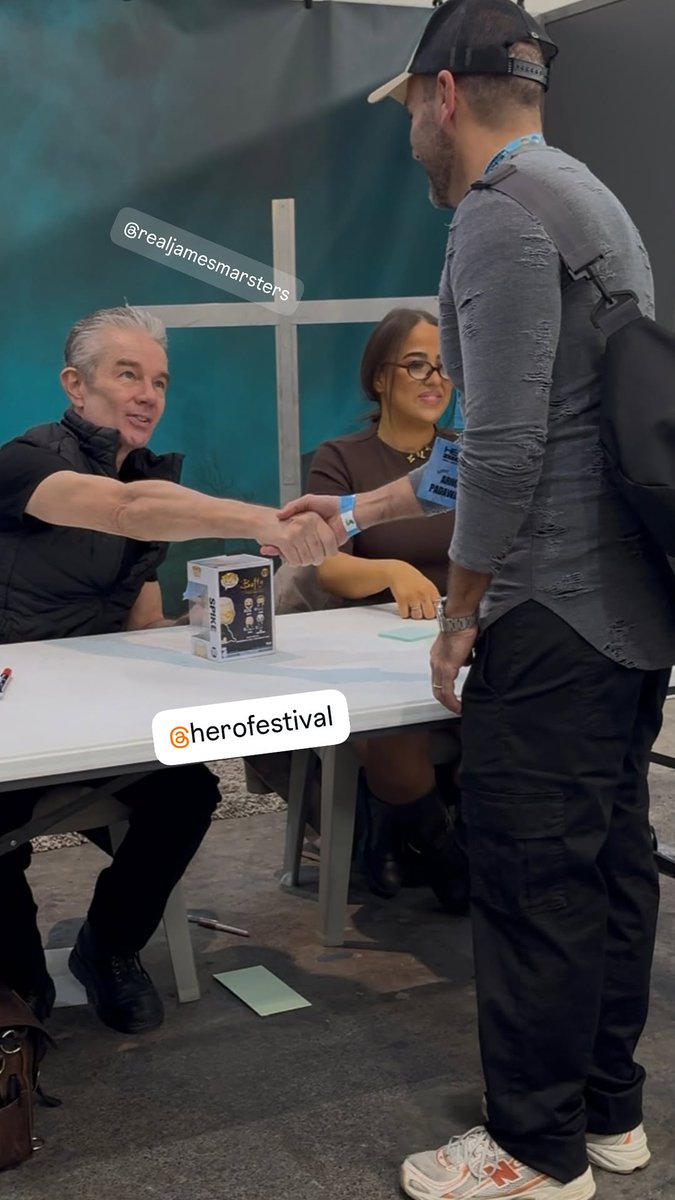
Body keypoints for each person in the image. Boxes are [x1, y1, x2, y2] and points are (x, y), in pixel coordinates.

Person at [278, 2, 675, 1196]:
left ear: (443, 94)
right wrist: (346, 516)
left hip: (548, 617)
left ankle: (533, 1151)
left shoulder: (497, 221)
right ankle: (609, 1113)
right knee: (607, 861)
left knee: (536, 878)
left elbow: (501, 457)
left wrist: (459, 613)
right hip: (625, 614)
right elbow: (492, 443)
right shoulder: (590, 203)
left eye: (409, 111)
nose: (410, 136)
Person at [0, 305, 337, 1036]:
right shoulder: (26, 462)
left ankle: (110, 946)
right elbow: (123, 511)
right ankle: (18, 971)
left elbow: (140, 624)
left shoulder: (152, 479)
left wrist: (219, 620)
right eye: (127, 374)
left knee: (185, 794)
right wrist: (259, 519)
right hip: (14, 726)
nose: (148, 393)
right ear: (74, 383)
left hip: (93, 719)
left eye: (158, 379)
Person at [307, 307, 469, 912]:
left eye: (447, 367)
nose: (435, 380)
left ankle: (415, 836)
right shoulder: (342, 458)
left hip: (466, 633)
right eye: (418, 364)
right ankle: (443, 850)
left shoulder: (467, 454)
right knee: (396, 736)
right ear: (380, 377)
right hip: (373, 653)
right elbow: (327, 564)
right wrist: (390, 570)